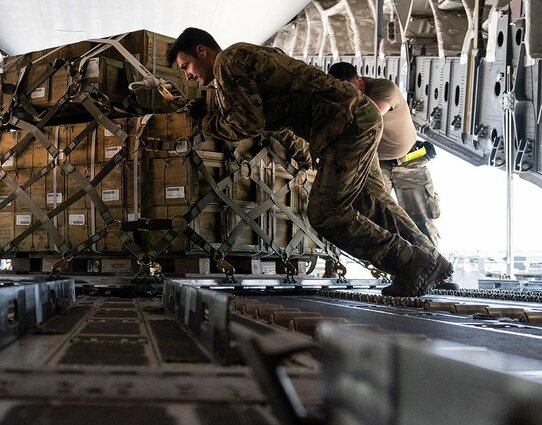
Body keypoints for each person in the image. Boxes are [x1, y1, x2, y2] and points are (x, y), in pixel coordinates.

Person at [168, 27, 450, 296]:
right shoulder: (249, 55)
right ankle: (434, 262)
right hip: (357, 118)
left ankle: (410, 262)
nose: (188, 76)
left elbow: (248, 124)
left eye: (185, 66)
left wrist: (205, 120)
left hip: (343, 127)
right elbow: (278, 112)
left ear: (201, 51)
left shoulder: (227, 63)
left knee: (326, 214)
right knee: (372, 201)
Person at [327, 62, 442, 246]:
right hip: (379, 164)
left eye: (350, 89)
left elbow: (370, 118)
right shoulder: (340, 97)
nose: (347, 95)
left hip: (408, 162)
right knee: (380, 217)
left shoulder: (383, 89)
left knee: (422, 221)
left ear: (360, 81)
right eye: (342, 91)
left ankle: (434, 265)